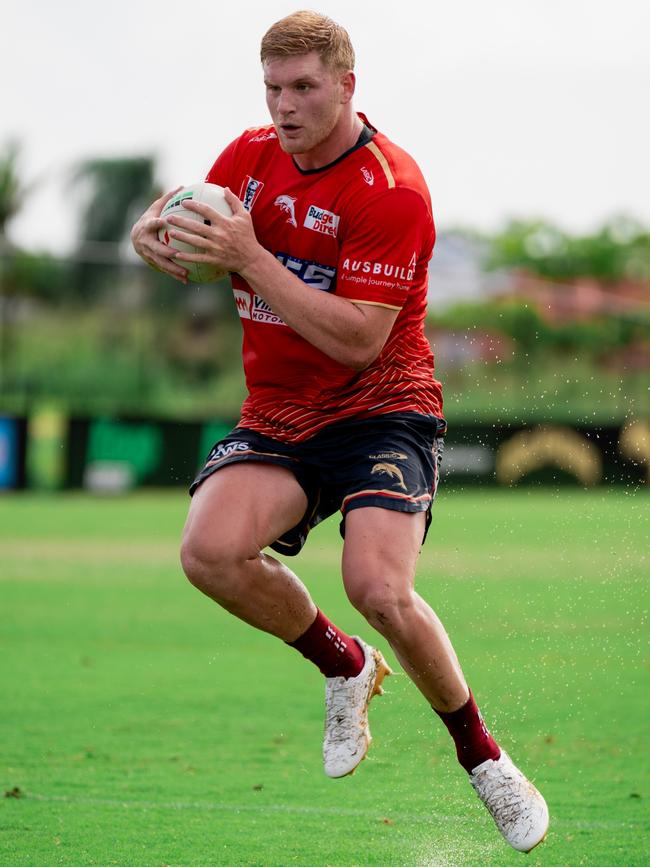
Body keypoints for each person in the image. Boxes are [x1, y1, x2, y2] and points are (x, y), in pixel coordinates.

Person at [131, 10, 549, 854]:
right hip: (280, 411)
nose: (284, 107)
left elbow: (357, 339)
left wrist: (250, 259)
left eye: (303, 88)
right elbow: (183, 216)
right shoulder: (245, 160)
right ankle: (344, 666)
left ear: (347, 86)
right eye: (273, 87)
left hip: (380, 405)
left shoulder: (391, 189)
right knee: (207, 551)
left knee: (379, 588)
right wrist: (152, 233)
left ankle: (484, 757)